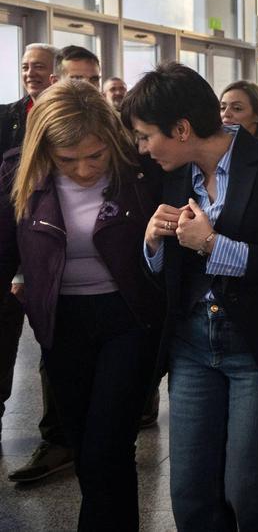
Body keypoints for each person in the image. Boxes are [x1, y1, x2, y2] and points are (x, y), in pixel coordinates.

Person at [125, 63, 258, 531]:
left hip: (257, 347)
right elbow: (167, 271)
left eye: (147, 135)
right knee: (190, 495)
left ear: (182, 128)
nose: (143, 147)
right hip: (193, 345)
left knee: (250, 489)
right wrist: (152, 243)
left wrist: (213, 245)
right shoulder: (169, 174)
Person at [0, 81, 163, 529]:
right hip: (61, 324)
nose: (85, 170)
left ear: (112, 141)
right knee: (82, 445)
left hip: (127, 320)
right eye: (67, 161)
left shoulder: (140, 170)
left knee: (107, 447)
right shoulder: (19, 173)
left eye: (96, 156)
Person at [1, 43, 74, 485]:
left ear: (55, 75)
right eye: (26, 66)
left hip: (55, 255)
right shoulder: (5, 117)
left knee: (54, 350)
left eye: (39, 67)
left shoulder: (73, 119)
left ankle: (59, 438)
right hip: (12, 248)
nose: (31, 73)